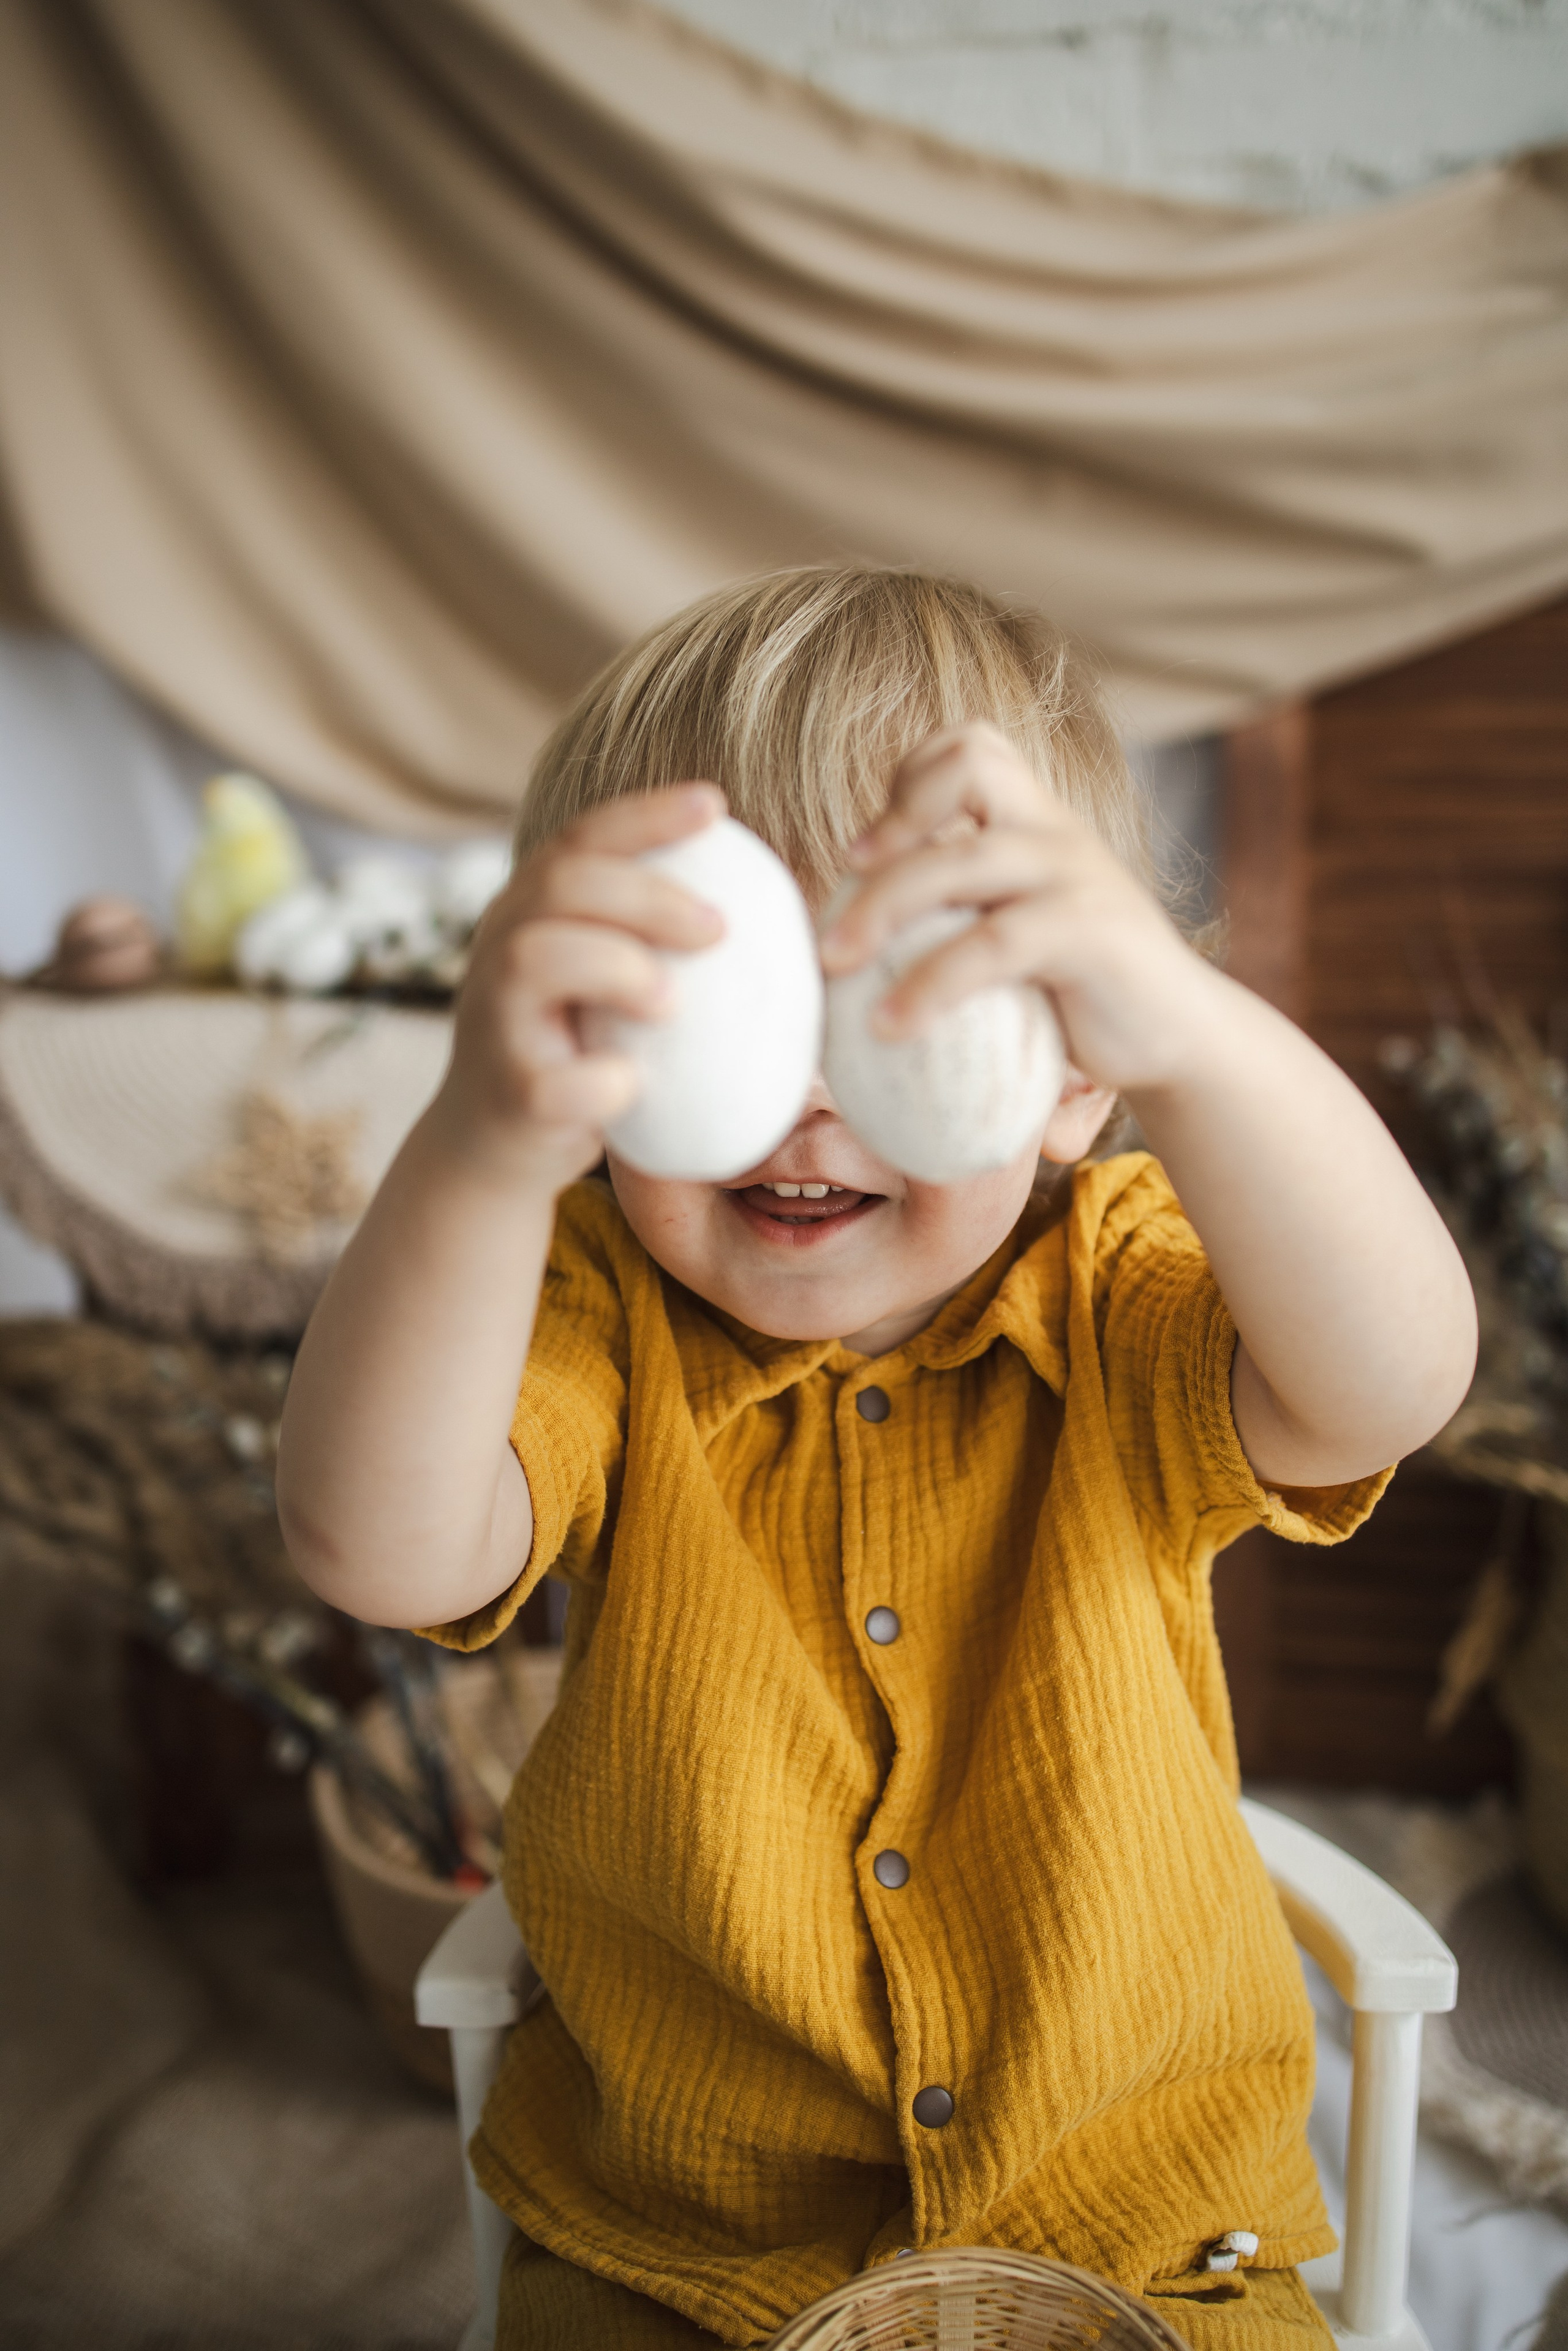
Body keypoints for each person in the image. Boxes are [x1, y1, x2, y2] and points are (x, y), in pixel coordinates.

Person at [276, 567, 1476, 2351]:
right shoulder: (585, 1307)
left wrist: (1189, 1032)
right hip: (682, 2247)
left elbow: (1391, 1380)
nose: (801, 1103)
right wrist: (476, 1146)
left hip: (1141, 2233)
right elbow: (379, 1545)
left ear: (1077, 1079)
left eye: (909, 999)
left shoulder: (1120, 1283)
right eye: (721, 1019)